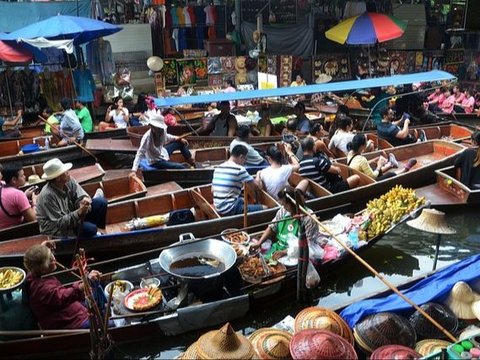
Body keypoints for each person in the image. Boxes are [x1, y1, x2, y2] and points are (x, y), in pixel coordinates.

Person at [24, 242, 103, 329]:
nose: (54, 259)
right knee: (110, 325)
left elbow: (36, 260)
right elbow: (63, 296)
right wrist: (83, 285)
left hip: (69, 309)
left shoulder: (33, 272)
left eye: (51, 255)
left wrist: (43, 248)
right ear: (43, 269)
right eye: (50, 259)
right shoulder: (42, 290)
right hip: (68, 321)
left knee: (97, 292)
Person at [35, 158, 107, 238]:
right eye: (65, 172)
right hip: (57, 228)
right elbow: (60, 223)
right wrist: (79, 212)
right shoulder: (47, 195)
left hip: (72, 216)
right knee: (91, 229)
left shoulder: (69, 180)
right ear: (58, 178)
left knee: (101, 202)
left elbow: (81, 195)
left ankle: (100, 231)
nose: (68, 172)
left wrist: (83, 202)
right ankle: (91, 231)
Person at [251, 187, 325, 261]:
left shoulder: (309, 219)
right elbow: (272, 227)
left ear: (293, 204)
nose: (284, 207)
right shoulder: (283, 211)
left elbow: (306, 245)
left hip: (297, 254)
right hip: (278, 247)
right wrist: (259, 243)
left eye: (286, 205)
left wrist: (284, 252)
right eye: (283, 205)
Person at [212, 144, 266, 216]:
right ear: (241, 157)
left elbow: (212, 190)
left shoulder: (218, 167)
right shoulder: (239, 169)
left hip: (218, 205)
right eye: (245, 159)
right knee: (265, 208)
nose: (245, 162)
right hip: (229, 208)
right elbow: (256, 186)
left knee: (242, 199)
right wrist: (259, 174)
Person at [346, 134, 417, 180]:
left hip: (359, 176)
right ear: (362, 146)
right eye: (366, 142)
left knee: (373, 168)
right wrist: (379, 165)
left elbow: (358, 165)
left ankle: (390, 164)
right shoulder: (361, 159)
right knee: (389, 174)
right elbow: (373, 176)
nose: (367, 143)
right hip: (365, 182)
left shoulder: (350, 153)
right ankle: (405, 169)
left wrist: (373, 160)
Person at [0, 163, 37, 230]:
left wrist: (24, 196)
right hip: (13, 233)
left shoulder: (2, 187)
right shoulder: (18, 194)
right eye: (22, 175)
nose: (24, 177)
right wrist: (35, 202)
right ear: (14, 180)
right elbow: (33, 220)